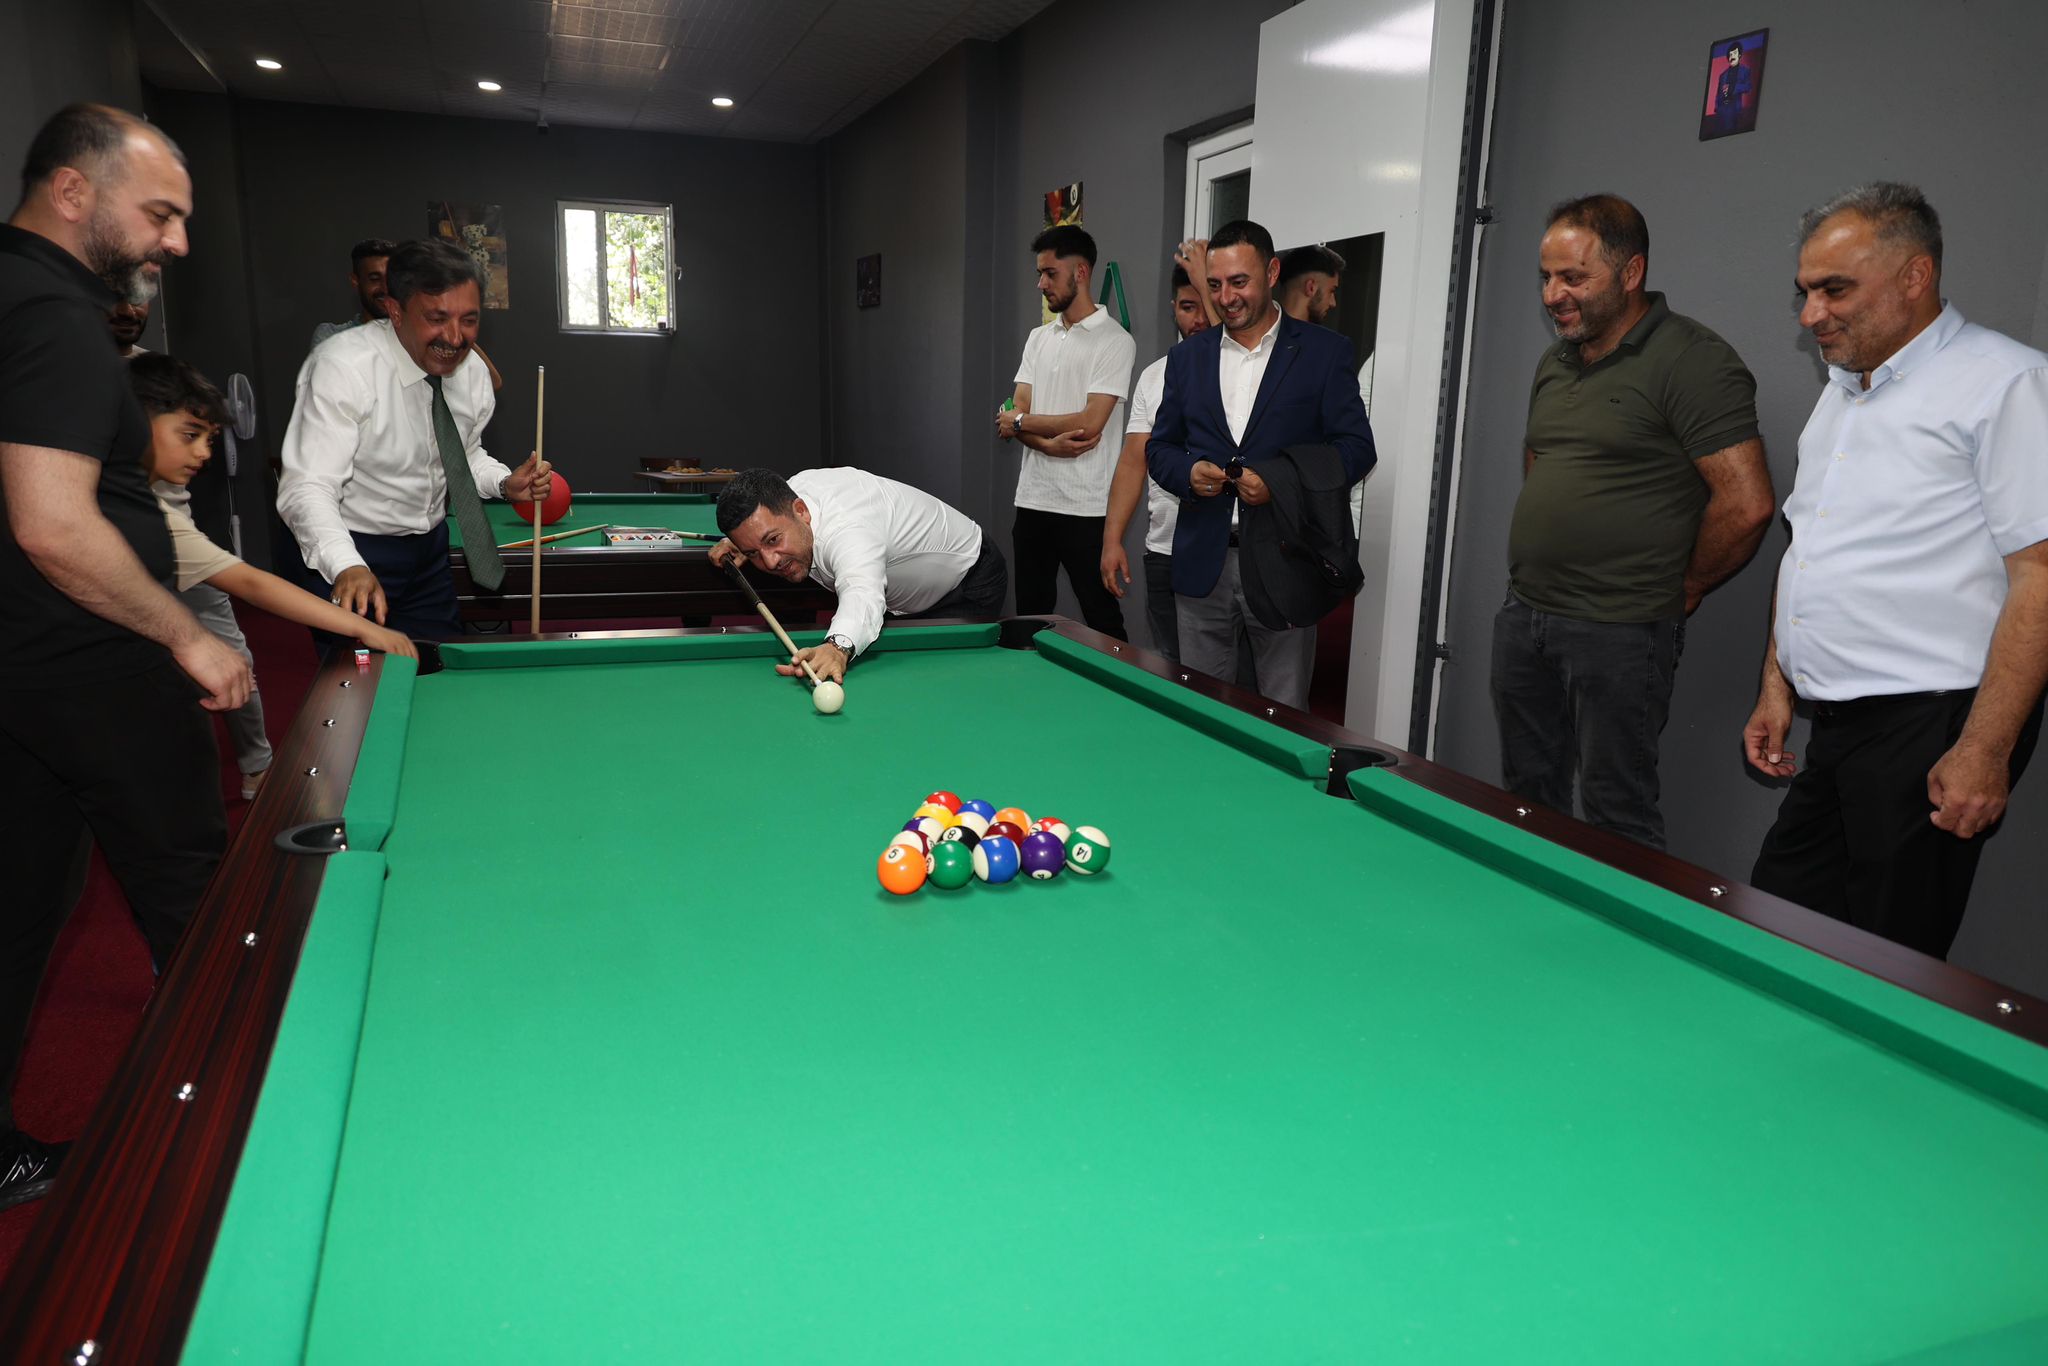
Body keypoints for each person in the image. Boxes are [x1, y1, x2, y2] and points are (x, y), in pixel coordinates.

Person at [0, 103, 252, 1210]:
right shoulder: (54, 316)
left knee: (19, 908)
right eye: (158, 215)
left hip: (24, 670)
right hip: (92, 666)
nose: (175, 241)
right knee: (197, 895)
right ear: (72, 191)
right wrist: (185, 633)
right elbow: (53, 524)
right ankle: (251, 1135)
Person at [1745, 183, 2048, 958]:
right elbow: (1811, 547)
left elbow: (2041, 576)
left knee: (1889, 961)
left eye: (1835, 290)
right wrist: (1778, 684)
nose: (1811, 315)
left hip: (1932, 727)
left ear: (1916, 276)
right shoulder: (1842, 396)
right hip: (1838, 725)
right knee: (1778, 929)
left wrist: (1984, 750)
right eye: (1806, 292)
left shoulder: (2008, 382)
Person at [1492, 194, 1772, 850]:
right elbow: (1543, 458)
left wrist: (1686, 587)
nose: (1553, 295)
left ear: (1631, 272)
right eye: (1546, 277)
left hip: (1619, 630)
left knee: (1616, 810)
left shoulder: (1692, 359)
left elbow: (1748, 503)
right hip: (1526, 615)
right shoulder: (1556, 361)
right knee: (1527, 795)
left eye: (1573, 277)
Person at [1145, 218, 1376, 711]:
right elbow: (1160, 449)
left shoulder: (1323, 353)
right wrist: (1189, 473)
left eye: (1238, 282)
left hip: (1287, 563)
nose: (1225, 298)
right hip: (1201, 565)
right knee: (1200, 714)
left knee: (1283, 716)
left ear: (1272, 273)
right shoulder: (1186, 359)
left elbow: (1357, 449)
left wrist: (1279, 482)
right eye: (1214, 285)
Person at [278, 237, 551, 641]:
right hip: (351, 547)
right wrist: (345, 564)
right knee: (362, 677)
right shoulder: (342, 365)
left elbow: (463, 453)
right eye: (437, 318)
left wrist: (504, 483)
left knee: (439, 663)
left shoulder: (472, 371)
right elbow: (307, 486)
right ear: (395, 311)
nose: (455, 338)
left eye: (469, 320)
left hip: (429, 553)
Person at [139, 354, 415, 655]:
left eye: (210, 439)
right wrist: (365, 628)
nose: (204, 453)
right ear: (135, 419)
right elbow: (251, 584)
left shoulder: (143, 498)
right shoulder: (147, 513)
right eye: (190, 435)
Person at [710, 467, 1006, 683]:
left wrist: (837, 648)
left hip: (967, 580)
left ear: (801, 511)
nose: (770, 561)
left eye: (773, 540)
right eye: (753, 552)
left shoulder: (848, 530)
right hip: (900, 597)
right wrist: (748, 544)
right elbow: (763, 526)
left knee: (944, 687)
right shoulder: (787, 498)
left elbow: (862, 591)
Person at [997, 224, 1134, 640]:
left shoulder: (1115, 341)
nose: (1041, 284)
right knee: (1030, 622)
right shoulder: (1038, 338)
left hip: (1086, 508)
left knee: (1104, 622)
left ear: (1081, 272)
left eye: (1049, 273)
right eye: (1039, 273)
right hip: (1032, 502)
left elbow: (1089, 422)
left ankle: (1120, 684)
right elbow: (1017, 409)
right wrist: (1046, 443)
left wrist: (1022, 425)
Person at [1100, 264, 1212, 661]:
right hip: (1164, 551)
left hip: (1222, 553)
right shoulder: (1154, 376)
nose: (1198, 319)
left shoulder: (1239, 372)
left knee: (1231, 684)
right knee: (1173, 669)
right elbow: (1134, 462)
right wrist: (1112, 540)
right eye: (1187, 307)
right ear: (1173, 308)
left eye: (1207, 305)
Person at [309, 238, 393, 349]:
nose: (385, 288)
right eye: (374, 279)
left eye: (390, 278)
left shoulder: (411, 335)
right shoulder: (331, 336)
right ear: (355, 281)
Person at [1277, 243, 1345, 327]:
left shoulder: (1263, 330)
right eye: (1331, 291)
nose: (1333, 303)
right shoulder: (1324, 336)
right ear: (1311, 287)